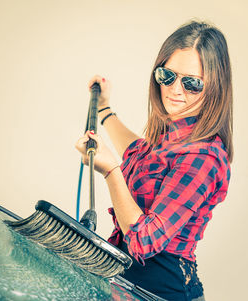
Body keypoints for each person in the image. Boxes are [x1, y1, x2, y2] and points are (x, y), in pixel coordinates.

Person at [75, 20, 233, 301]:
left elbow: (143, 241)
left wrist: (111, 171)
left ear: (214, 87)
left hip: (163, 291)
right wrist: (105, 109)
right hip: (127, 282)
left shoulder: (204, 156)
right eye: (167, 76)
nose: (175, 90)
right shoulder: (175, 130)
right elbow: (141, 153)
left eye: (192, 83)